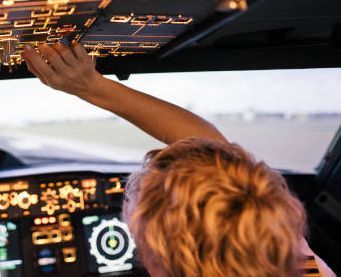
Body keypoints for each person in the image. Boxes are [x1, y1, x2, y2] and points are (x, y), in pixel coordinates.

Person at [21, 42, 336, 277]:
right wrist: (91, 86)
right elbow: (211, 149)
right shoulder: (294, 260)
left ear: (160, 260)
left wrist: (93, 87)